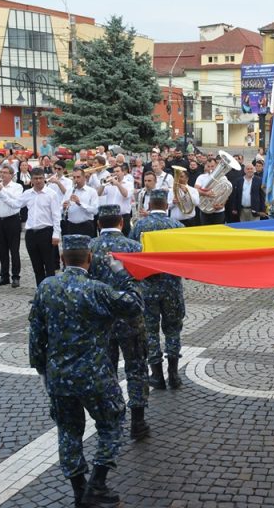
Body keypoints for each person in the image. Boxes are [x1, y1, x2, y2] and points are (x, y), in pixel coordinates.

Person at [29, 234, 144, 508]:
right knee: (112, 423)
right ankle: (97, 484)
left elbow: (36, 335)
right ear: (89, 259)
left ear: (61, 259)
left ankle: (80, 491)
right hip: (95, 376)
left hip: (59, 377)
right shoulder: (97, 290)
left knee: (68, 432)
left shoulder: (46, 287)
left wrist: (41, 368)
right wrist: (123, 274)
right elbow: (135, 305)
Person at [89, 204, 150, 438]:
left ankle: (111, 419)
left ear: (98, 224)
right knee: (136, 368)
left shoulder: (89, 248)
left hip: (101, 321)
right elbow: (142, 283)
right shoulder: (134, 247)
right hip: (131, 320)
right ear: (122, 222)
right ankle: (138, 421)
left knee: (106, 370)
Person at [129, 190, 186, 390]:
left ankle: (157, 376)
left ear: (150, 204)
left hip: (148, 286)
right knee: (173, 330)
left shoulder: (140, 225)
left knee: (150, 331)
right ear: (166, 205)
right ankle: (174, 374)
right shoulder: (177, 226)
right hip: (172, 286)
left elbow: (132, 253)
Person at [0, 167, 61, 286]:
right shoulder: (27, 193)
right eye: (35, 178)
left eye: (41, 178)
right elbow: (15, 204)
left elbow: (56, 215)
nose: (38, 181)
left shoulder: (51, 194)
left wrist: (56, 234)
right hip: (31, 233)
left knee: (49, 265)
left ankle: (50, 294)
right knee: (36, 266)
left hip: (46, 232)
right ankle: (39, 293)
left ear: (44, 179)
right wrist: (1, 192)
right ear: (31, 180)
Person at [97, 165, 133, 236]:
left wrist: (117, 184)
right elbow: (99, 193)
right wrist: (103, 184)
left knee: (124, 237)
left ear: (123, 172)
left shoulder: (128, 184)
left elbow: (126, 194)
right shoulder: (109, 184)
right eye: (114, 172)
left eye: (117, 171)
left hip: (123, 216)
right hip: (110, 216)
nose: (115, 173)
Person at [63, 167, 99, 238]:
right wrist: (63, 207)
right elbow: (61, 208)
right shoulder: (69, 191)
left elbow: (95, 211)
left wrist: (80, 203)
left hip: (86, 226)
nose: (76, 180)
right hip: (71, 225)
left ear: (84, 177)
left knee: (87, 249)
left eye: (78, 177)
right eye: (74, 177)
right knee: (72, 249)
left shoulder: (92, 191)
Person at [195, 158, 230, 225]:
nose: (210, 168)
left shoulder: (223, 177)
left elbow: (226, 193)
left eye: (212, 166)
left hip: (218, 210)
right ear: (205, 166)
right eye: (208, 166)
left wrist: (222, 205)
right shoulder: (201, 177)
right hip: (205, 210)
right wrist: (206, 193)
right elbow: (196, 190)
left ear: (216, 166)